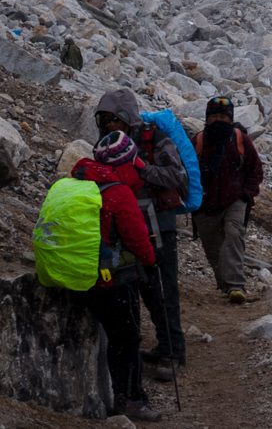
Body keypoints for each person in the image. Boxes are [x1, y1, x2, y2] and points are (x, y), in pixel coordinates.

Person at [75, 132, 164, 420]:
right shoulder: (118, 192)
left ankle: (109, 394)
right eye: (132, 160)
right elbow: (138, 240)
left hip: (77, 271)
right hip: (112, 279)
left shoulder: (79, 183)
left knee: (109, 336)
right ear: (123, 162)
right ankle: (131, 399)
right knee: (125, 338)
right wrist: (151, 264)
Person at [95, 90, 187, 370]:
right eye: (105, 120)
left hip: (160, 224)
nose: (110, 125)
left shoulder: (153, 137)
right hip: (128, 226)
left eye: (114, 119)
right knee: (143, 288)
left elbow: (176, 175)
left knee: (162, 288)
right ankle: (163, 346)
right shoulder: (107, 143)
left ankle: (173, 351)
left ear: (126, 116)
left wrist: (142, 167)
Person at [192, 95, 262, 303]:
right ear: (207, 118)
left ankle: (236, 285)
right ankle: (225, 285)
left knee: (233, 234)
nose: (219, 120)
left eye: (224, 116)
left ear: (231, 118)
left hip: (235, 199)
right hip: (205, 204)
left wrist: (246, 194)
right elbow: (187, 173)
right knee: (213, 248)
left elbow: (255, 169)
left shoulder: (240, 140)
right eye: (215, 116)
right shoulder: (198, 142)